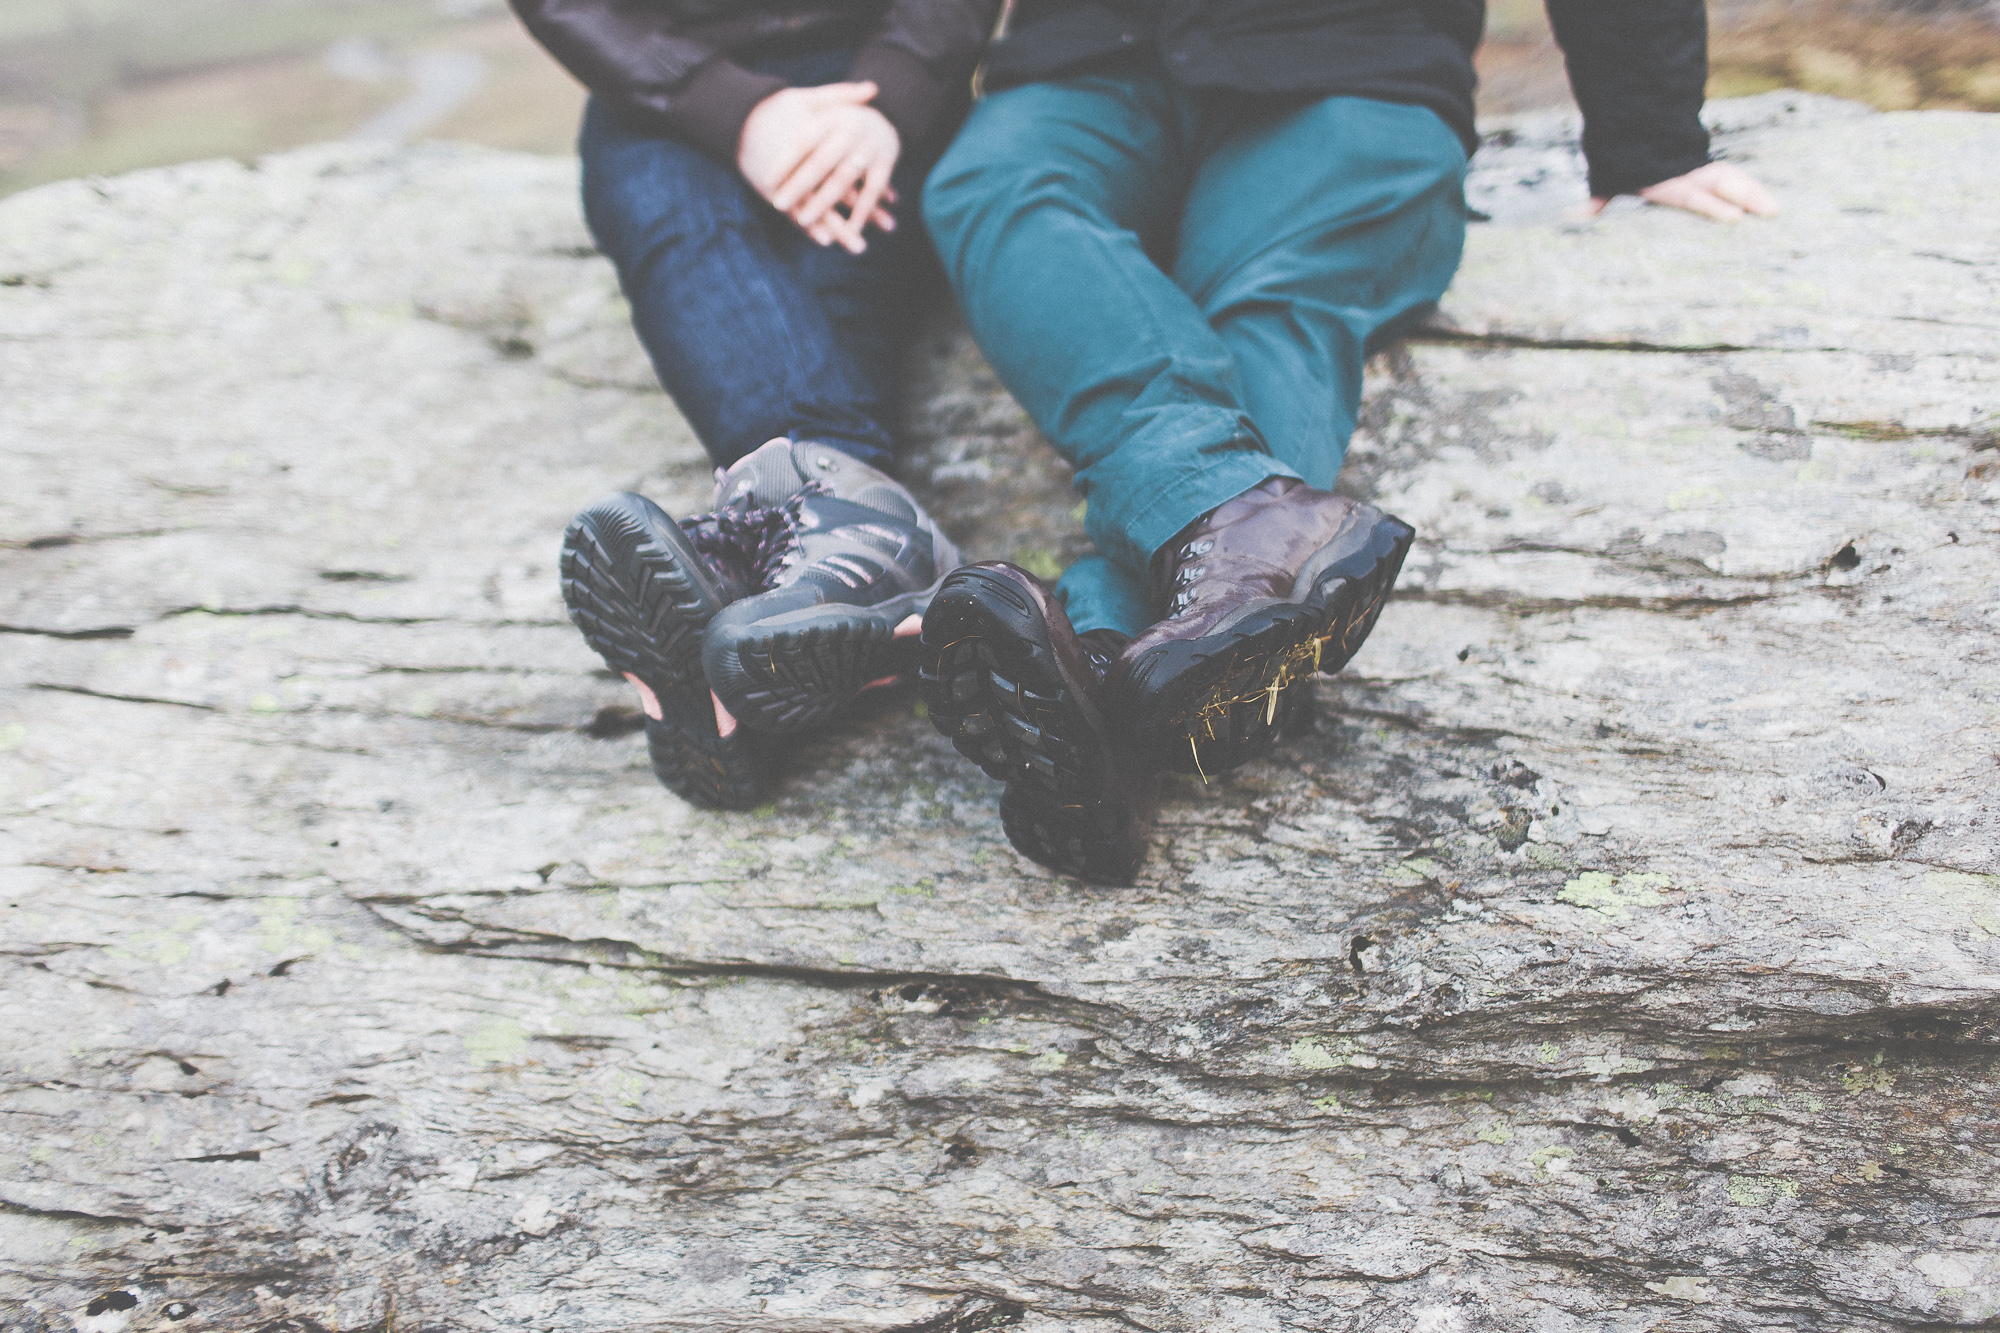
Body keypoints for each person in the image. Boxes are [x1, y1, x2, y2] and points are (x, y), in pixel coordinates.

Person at [915, 0, 1777, 883]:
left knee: (1269, 303)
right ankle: (1217, 580)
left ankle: (1101, 671)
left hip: (1354, 63)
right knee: (992, 184)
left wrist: (1647, 138)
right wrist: (867, 107)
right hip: (1087, 62)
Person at [513, 0, 997, 807]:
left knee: (839, 257)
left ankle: (736, 585)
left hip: (874, 88)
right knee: (679, 225)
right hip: (661, 99)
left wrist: (890, 93)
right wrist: (732, 109)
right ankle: (845, 551)